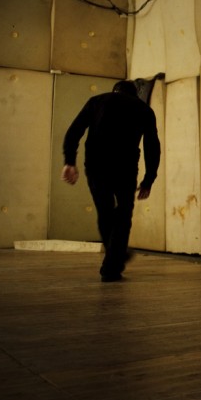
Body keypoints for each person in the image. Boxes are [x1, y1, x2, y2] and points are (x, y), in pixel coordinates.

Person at [62, 80, 160, 282]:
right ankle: (112, 267)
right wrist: (149, 179)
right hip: (125, 168)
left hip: (97, 166)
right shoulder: (144, 110)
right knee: (123, 214)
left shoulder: (97, 101)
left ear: (114, 90)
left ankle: (116, 256)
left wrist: (69, 161)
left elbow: (75, 131)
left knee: (105, 211)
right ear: (135, 94)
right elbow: (152, 146)